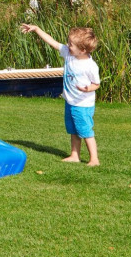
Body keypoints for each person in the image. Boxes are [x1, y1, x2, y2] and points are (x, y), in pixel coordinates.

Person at [20, 24, 100, 166]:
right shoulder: (69, 54)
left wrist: (87, 89)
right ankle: (75, 155)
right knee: (73, 130)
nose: (68, 46)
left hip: (82, 105)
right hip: (70, 102)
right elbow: (52, 42)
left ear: (82, 50)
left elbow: (96, 84)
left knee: (85, 131)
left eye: (71, 44)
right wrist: (37, 29)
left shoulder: (90, 66)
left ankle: (94, 159)